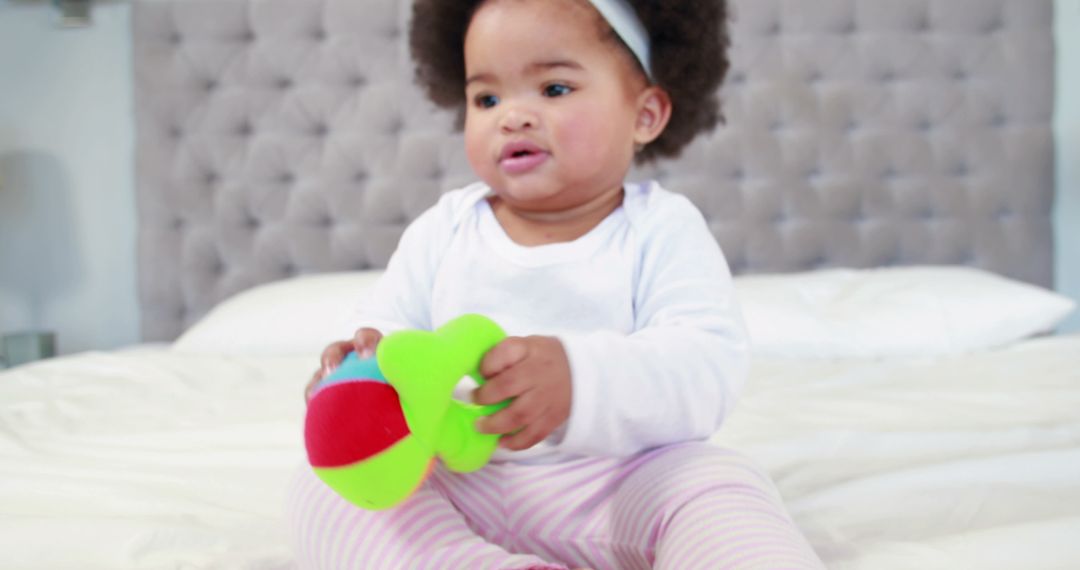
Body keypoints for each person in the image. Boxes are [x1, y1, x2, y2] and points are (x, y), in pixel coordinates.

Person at [287, 0, 824, 568]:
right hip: (460, 480)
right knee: (327, 486)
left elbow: (704, 364)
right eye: (487, 99)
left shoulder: (661, 229)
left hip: (617, 482)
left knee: (718, 482)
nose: (512, 117)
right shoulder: (444, 228)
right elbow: (390, 326)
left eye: (554, 89)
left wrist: (578, 378)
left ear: (645, 114)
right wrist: (358, 369)